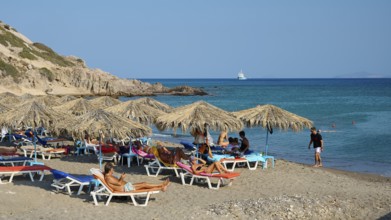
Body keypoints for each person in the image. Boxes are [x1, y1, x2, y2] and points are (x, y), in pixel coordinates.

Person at [104, 162, 169, 192]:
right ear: (110, 170)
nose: (113, 170)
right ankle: (161, 186)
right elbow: (118, 183)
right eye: (112, 169)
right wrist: (122, 177)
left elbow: (117, 182)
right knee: (144, 184)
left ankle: (161, 187)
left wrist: (121, 178)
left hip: (127, 186)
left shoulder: (108, 175)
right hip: (126, 188)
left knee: (144, 185)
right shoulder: (108, 178)